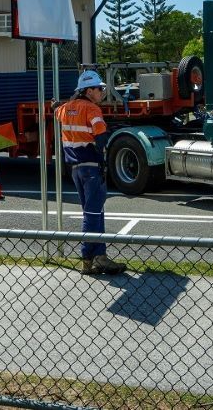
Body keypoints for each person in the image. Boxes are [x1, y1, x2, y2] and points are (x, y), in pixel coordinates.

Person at [55, 70, 126, 275]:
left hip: (75, 169)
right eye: (99, 88)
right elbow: (101, 136)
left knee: (95, 211)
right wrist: (103, 159)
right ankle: (88, 259)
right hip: (92, 167)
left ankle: (100, 257)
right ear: (88, 90)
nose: (102, 92)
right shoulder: (92, 109)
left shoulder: (65, 109)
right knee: (92, 213)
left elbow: (57, 109)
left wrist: (55, 104)